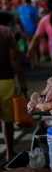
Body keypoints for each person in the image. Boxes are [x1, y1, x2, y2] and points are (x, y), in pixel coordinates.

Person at [0, 11, 28, 162]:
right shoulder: (6, 32)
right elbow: (13, 57)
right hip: (5, 81)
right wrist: (22, 80)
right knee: (7, 120)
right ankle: (9, 152)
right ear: (9, 22)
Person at [18, 0, 40, 67]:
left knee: (30, 47)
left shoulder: (21, 9)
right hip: (29, 30)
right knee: (32, 47)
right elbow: (37, 20)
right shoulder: (32, 8)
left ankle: (33, 63)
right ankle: (34, 63)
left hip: (30, 30)